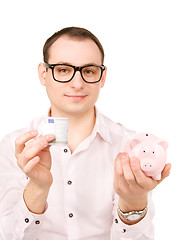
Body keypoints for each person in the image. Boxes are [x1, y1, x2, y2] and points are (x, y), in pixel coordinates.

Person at [0, 27, 171, 240]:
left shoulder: (129, 145)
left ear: (102, 76)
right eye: (63, 70)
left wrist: (133, 202)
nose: (77, 83)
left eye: (88, 71)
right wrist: (37, 186)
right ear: (44, 74)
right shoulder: (14, 145)